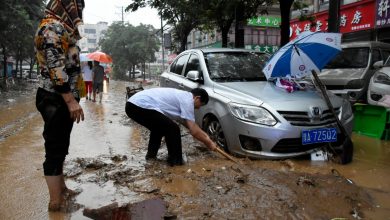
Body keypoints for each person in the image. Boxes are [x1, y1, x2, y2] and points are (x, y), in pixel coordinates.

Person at [34, 0, 85, 212]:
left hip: (62, 98)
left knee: (61, 145)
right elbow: (55, 67)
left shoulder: (62, 28)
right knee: (54, 149)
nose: (80, 12)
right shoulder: (51, 28)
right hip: (56, 98)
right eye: (77, 7)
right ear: (66, 6)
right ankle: (55, 203)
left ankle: (62, 189)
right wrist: (71, 101)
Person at [125, 87, 218, 166]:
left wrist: (207, 139)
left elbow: (192, 126)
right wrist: (209, 143)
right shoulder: (188, 100)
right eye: (200, 105)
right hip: (139, 105)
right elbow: (193, 130)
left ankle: (151, 158)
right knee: (173, 128)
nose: (198, 108)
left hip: (131, 105)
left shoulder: (182, 98)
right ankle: (176, 162)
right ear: (197, 98)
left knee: (158, 129)